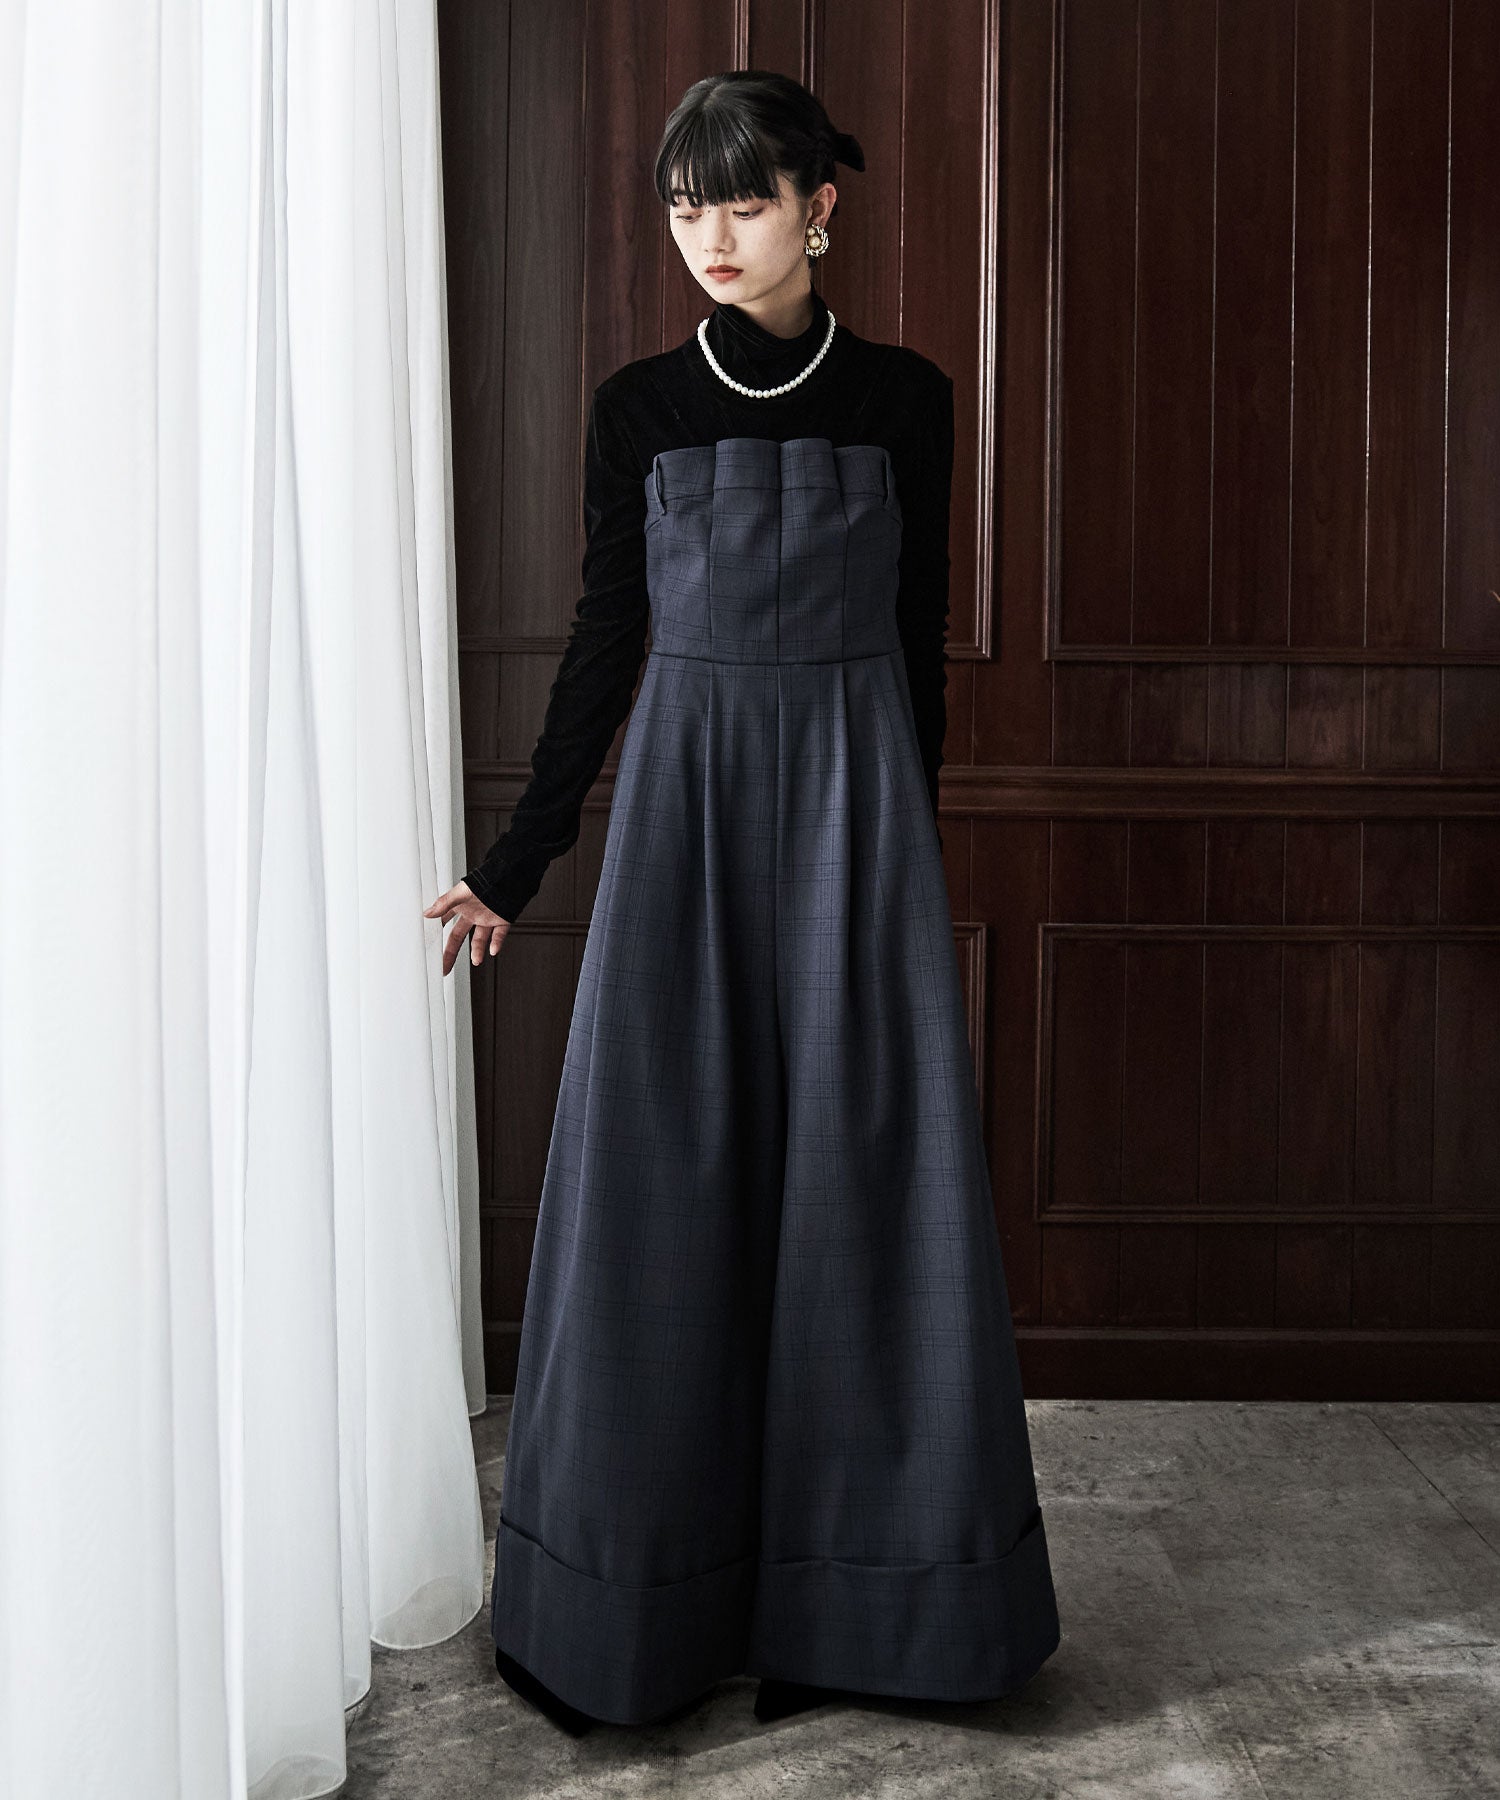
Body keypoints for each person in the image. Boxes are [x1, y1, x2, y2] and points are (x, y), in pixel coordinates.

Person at [423, 68, 1062, 1733]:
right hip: (685, 815)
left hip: (859, 815)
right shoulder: (639, 408)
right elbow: (605, 644)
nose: (711, 232)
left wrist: (907, 847)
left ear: (818, 209)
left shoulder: (909, 399)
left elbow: (917, 641)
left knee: (871, 1191)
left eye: (746, 199)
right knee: (661, 1183)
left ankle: (879, 1609)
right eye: (686, 203)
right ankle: (641, 1605)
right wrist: (513, 863)